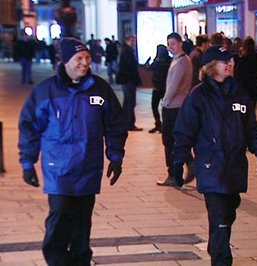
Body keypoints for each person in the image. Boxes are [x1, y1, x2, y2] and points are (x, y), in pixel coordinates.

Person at [18, 37, 128, 265]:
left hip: (88, 168)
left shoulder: (100, 89)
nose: (84, 63)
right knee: (58, 220)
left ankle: (81, 261)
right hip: (58, 170)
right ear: (65, 61)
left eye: (87, 58)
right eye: (79, 58)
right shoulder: (47, 91)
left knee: (82, 222)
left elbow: (116, 124)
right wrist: (27, 163)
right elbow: (29, 126)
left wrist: (115, 157)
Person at [171, 46, 257, 266]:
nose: (231, 64)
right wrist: (179, 160)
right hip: (210, 165)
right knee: (220, 216)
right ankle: (222, 259)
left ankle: (216, 243)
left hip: (235, 164)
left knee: (229, 209)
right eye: (226, 61)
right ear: (211, 66)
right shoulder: (198, 95)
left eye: (232, 61)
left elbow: (250, 126)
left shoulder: (240, 93)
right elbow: (184, 131)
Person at [156, 33, 194, 187]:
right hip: (181, 104)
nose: (170, 47)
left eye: (173, 44)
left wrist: (164, 102)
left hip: (172, 106)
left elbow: (173, 86)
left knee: (169, 141)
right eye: (168, 44)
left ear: (180, 43)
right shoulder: (184, 60)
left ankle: (173, 174)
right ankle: (188, 164)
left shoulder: (179, 63)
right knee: (178, 139)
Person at [116, 34, 143, 131]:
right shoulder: (127, 52)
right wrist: (137, 79)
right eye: (132, 40)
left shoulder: (125, 51)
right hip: (128, 80)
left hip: (126, 80)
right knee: (130, 102)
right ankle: (129, 123)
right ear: (128, 40)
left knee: (127, 101)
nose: (134, 42)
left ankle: (126, 122)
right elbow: (131, 68)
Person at [149, 44, 172, 133]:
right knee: (165, 107)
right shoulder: (170, 60)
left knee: (154, 106)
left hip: (157, 87)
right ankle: (165, 125)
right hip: (166, 87)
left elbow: (150, 68)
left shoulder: (157, 61)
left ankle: (158, 124)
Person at [235, 36, 257, 107]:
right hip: (254, 85)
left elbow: (238, 74)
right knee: (252, 107)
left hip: (244, 86)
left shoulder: (242, 59)